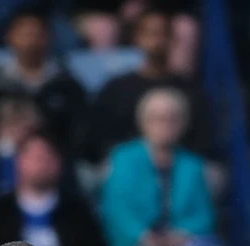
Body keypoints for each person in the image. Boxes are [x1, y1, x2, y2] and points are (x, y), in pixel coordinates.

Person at [99, 88, 216, 246]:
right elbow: (116, 209)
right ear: (143, 122)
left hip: (181, 244)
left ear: (183, 124)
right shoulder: (123, 158)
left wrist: (181, 235)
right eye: (157, 119)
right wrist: (144, 237)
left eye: (172, 119)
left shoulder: (192, 165)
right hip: (137, 244)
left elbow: (204, 215)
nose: (165, 125)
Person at [89, 6, 210, 161]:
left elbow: (200, 144)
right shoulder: (116, 90)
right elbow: (100, 141)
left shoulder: (190, 91)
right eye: (151, 34)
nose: (157, 42)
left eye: (163, 34)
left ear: (173, 39)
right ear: (137, 38)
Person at [0, 8, 87, 156]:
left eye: (36, 34)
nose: (30, 41)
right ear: (8, 36)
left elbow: (79, 130)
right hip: (3, 158)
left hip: (56, 158)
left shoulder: (67, 85)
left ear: (48, 37)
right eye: (24, 34)